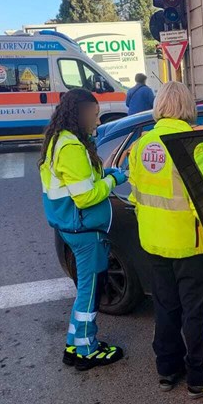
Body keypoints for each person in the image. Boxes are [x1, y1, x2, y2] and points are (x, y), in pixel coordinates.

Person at [129, 81, 203, 398]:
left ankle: (166, 369)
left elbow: (136, 195)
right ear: (188, 108)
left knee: (165, 308)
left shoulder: (141, 145)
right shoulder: (193, 146)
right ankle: (200, 375)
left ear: (159, 106)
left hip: (154, 243)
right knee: (195, 313)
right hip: (189, 245)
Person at [39, 88, 128, 371]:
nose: (98, 122)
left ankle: (74, 343)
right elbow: (86, 197)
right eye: (94, 115)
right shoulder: (71, 148)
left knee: (87, 290)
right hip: (84, 230)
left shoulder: (61, 141)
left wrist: (105, 174)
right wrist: (114, 180)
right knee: (89, 292)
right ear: (80, 114)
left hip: (76, 228)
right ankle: (87, 350)